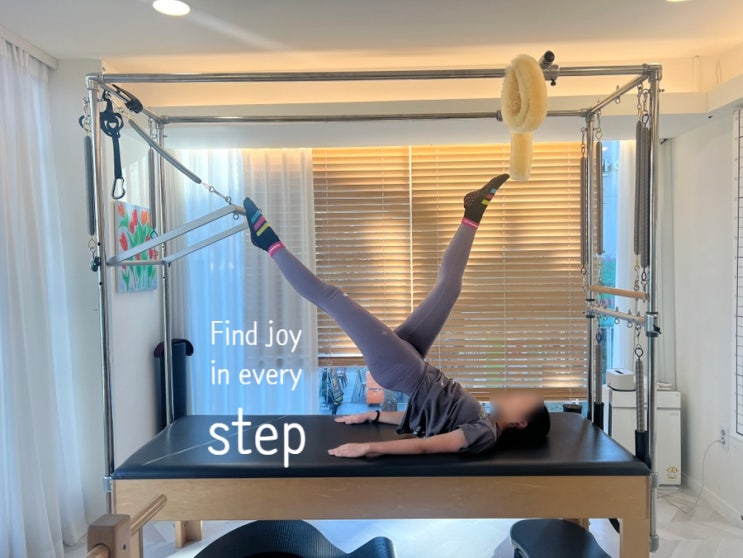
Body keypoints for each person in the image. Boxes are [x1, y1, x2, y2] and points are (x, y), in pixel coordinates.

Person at [242, 173, 550, 458]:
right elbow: (424, 415)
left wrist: (368, 447)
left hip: (403, 370)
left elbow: (426, 445)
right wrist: (375, 415)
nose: (516, 393)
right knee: (450, 288)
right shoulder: (483, 416)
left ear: (522, 422)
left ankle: (269, 244)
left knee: (331, 296)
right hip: (414, 360)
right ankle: (472, 213)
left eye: (524, 400)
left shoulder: (485, 433)